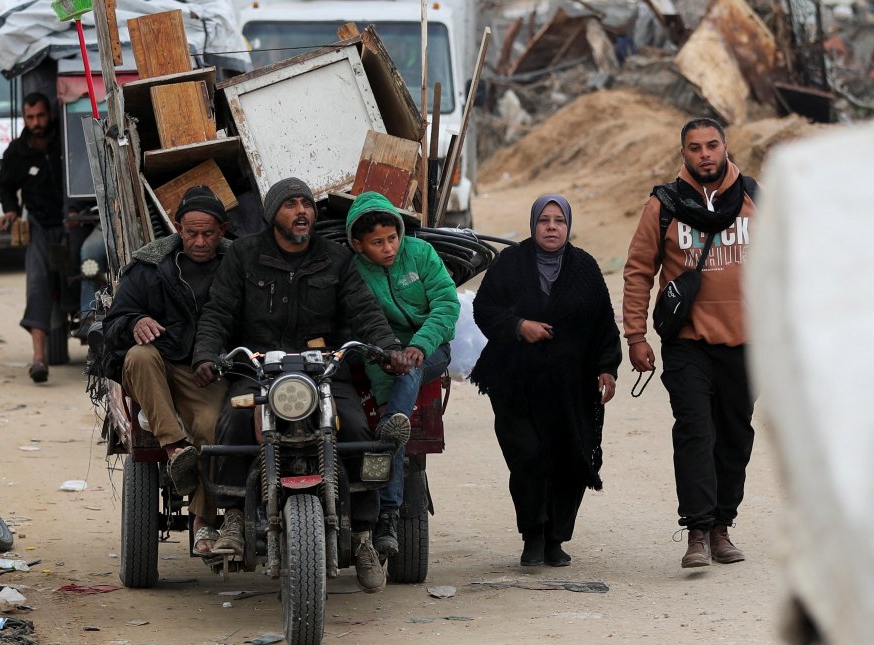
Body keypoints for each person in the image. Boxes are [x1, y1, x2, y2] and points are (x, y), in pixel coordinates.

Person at [192, 177, 410, 593]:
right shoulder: (243, 255)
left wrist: (388, 348)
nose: (302, 212)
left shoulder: (336, 259)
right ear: (274, 214)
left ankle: (363, 534)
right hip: (257, 369)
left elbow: (365, 312)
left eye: (306, 204)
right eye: (291, 205)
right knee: (234, 427)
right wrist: (207, 356)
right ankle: (235, 516)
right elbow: (218, 313)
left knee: (357, 432)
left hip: (324, 370)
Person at [622, 117, 758, 569]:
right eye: (695, 147)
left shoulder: (755, 198)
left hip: (747, 343)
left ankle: (722, 527)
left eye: (712, 145)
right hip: (687, 341)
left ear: (725, 147)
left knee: (735, 436)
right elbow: (639, 270)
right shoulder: (664, 204)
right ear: (683, 154)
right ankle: (697, 531)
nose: (705, 154)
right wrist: (636, 334)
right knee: (695, 431)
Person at [472, 194, 621, 567]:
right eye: (544, 220)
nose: (551, 227)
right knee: (529, 456)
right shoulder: (511, 263)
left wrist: (607, 367)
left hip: (571, 386)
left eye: (558, 221)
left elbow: (604, 322)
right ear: (533, 224)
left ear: (568, 226)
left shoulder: (584, 267)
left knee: (568, 457)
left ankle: (556, 538)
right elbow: (484, 308)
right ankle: (532, 535)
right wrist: (519, 326)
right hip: (515, 383)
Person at [102, 186, 232, 555]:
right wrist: (135, 321)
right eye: (191, 233)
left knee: (211, 430)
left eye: (208, 233)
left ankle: (203, 521)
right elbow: (113, 325)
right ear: (177, 227)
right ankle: (175, 451)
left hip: (205, 369)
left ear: (222, 230)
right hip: (156, 369)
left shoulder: (236, 266)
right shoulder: (149, 267)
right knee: (139, 355)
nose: (200, 241)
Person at [344, 191, 459, 557]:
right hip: (381, 353)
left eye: (392, 237)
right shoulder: (355, 271)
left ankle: (388, 514)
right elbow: (361, 321)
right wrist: (390, 354)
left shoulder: (421, 254)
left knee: (403, 392)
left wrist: (419, 346)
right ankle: (392, 423)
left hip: (432, 346)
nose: (388, 248)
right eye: (377, 242)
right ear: (359, 245)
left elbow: (446, 304)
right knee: (396, 392)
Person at [0, 92, 66, 384]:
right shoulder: (17, 152)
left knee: (86, 274)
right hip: (37, 225)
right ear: (25, 118)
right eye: (30, 118)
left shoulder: (65, 142)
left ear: (49, 114)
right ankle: (39, 359)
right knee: (37, 284)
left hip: (71, 223)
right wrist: (11, 211)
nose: (36, 123)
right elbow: (5, 187)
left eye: (40, 116)